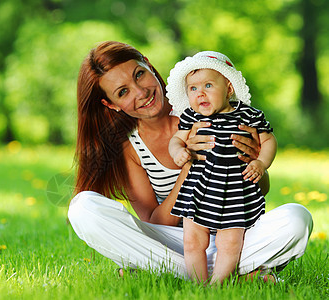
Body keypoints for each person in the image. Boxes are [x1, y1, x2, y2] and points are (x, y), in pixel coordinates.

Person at [68, 41, 313, 282]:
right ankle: (232, 273)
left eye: (139, 74)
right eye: (123, 92)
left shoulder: (208, 109)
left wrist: (255, 164)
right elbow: (155, 222)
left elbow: (261, 187)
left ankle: (168, 271)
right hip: (180, 239)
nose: (141, 92)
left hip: (233, 230)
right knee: (83, 209)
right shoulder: (130, 148)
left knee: (296, 218)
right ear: (111, 104)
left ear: (150, 66)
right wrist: (189, 166)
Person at [166, 51, 277, 284]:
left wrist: (260, 162)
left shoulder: (249, 115)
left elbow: (268, 141)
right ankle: (199, 284)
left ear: (228, 88)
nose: (200, 93)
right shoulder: (190, 117)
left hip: (235, 190)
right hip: (199, 189)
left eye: (208, 85)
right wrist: (178, 151)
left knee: (230, 243)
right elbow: (176, 139)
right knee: (192, 240)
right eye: (193, 89)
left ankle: (218, 285)